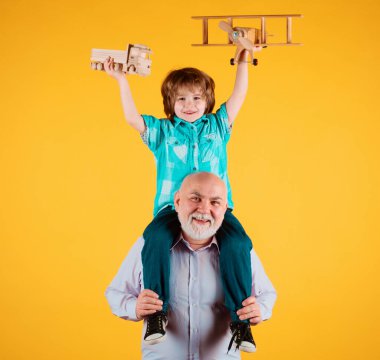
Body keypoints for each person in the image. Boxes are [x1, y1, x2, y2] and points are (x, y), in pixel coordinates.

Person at [104, 47, 262, 350]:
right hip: (172, 208)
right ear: (170, 104)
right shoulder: (162, 132)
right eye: (181, 99)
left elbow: (239, 95)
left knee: (238, 244)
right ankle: (156, 314)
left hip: (218, 209)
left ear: (208, 102)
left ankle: (240, 324)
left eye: (197, 98)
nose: (189, 105)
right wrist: (121, 80)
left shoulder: (218, 127)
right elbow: (132, 118)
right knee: (155, 239)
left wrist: (243, 61)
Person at [105, 172, 277, 359]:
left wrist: (259, 309)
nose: (204, 209)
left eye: (215, 202)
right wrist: (135, 308)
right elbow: (115, 293)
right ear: (177, 202)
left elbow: (267, 294)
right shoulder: (149, 247)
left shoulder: (240, 251)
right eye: (195, 198)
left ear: (225, 209)